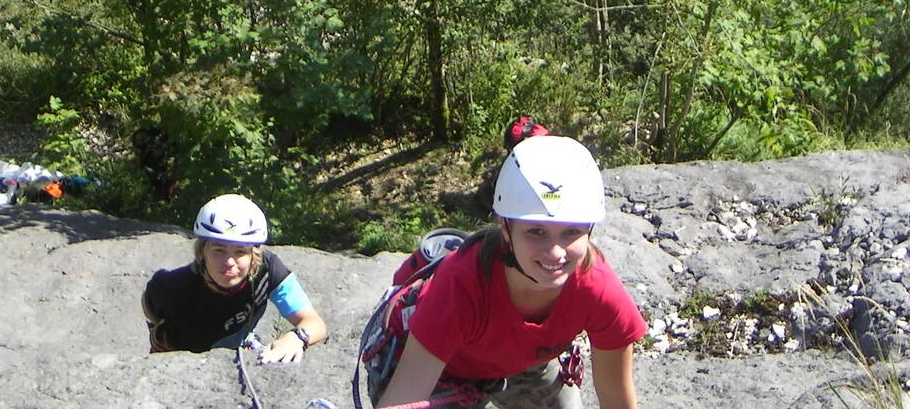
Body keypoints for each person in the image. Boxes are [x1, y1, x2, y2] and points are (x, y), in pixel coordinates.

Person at [363, 136, 647, 409]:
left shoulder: (599, 290)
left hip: (522, 361)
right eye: (536, 232)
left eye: (572, 232)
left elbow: (617, 400)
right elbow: (403, 401)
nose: (556, 252)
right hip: (442, 371)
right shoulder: (462, 285)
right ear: (506, 229)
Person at [142, 193, 328, 363]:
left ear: (253, 255)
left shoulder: (268, 270)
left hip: (238, 344)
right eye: (218, 250)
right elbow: (151, 308)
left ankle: (245, 339)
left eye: (240, 252)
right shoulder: (170, 289)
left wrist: (296, 338)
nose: (229, 262)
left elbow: (314, 322)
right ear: (202, 252)